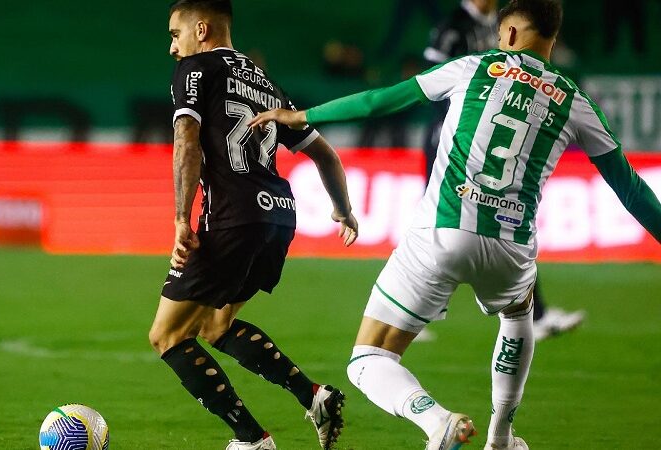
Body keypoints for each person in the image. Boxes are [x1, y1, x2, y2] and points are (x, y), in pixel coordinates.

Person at [250, 0, 661, 448]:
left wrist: (303, 115)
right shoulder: (576, 101)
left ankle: (435, 420)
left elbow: (378, 101)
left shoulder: (473, 66)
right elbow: (631, 189)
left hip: (442, 231)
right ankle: (501, 436)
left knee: (367, 358)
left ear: (506, 34)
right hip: (510, 246)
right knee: (519, 308)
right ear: (553, 40)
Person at [148, 1, 359, 450]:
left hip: (233, 215)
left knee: (167, 336)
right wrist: (343, 208)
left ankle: (252, 440)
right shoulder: (264, 82)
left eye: (174, 34)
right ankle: (314, 396)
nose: (172, 47)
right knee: (215, 326)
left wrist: (181, 219)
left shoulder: (195, 69)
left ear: (200, 29)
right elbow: (325, 153)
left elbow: (186, 141)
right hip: (279, 214)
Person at [423, 0, 584, 342]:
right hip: (453, 142)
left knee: (508, 223)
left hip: (488, 143)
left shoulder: (495, 23)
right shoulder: (454, 25)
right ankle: (417, 313)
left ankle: (536, 313)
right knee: (439, 225)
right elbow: (432, 83)